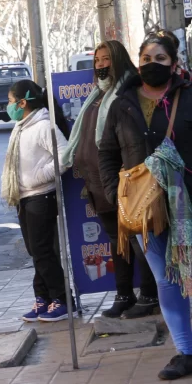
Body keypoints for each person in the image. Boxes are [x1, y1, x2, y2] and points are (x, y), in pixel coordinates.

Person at [99, 30, 192, 380]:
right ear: (138, 63)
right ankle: (186, 352)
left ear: (174, 63)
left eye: (160, 59)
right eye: (146, 59)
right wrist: (115, 194)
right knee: (167, 281)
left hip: (188, 206)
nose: (152, 65)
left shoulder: (188, 97)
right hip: (143, 211)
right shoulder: (122, 104)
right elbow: (107, 152)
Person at [62, 41, 159, 319]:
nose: (101, 64)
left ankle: (149, 294)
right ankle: (124, 294)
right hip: (99, 186)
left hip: (128, 184)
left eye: (106, 59)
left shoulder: (128, 93)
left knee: (139, 244)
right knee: (118, 244)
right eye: (97, 60)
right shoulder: (96, 96)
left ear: (118, 60)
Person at [1, 80, 73, 322]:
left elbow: (65, 157)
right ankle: (43, 297)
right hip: (24, 197)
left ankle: (62, 299)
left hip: (41, 196)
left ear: (23, 103)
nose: (8, 106)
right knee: (36, 251)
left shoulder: (43, 126)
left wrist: (38, 178)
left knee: (43, 252)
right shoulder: (21, 127)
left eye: (11, 102)